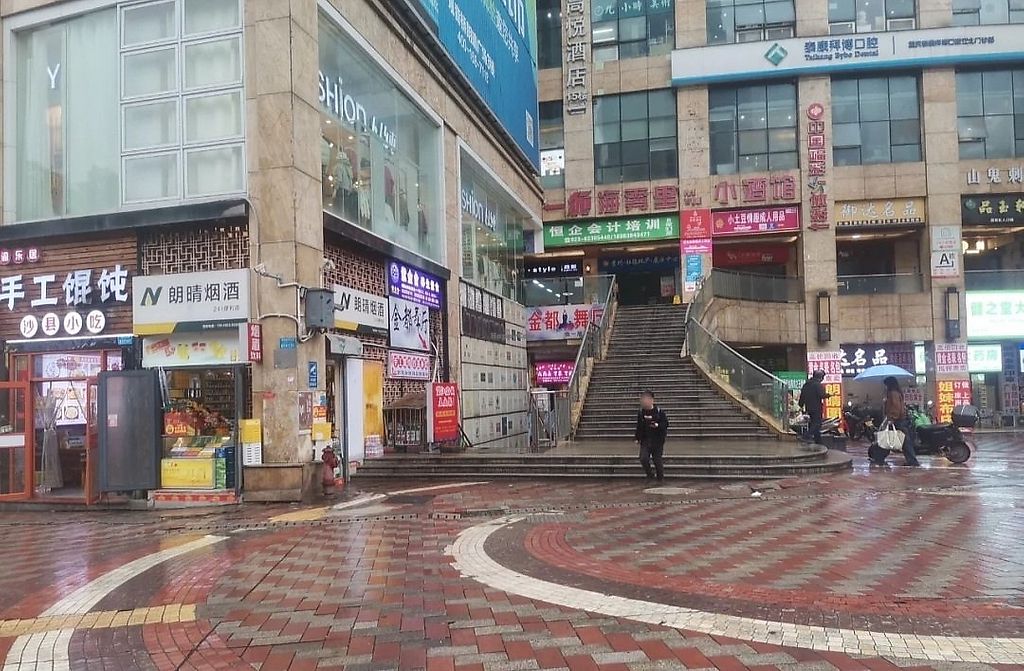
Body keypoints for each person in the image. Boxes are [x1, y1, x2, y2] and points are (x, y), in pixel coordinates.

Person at [880, 376, 920, 467]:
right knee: (902, 440)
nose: (885, 387)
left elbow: (895, 406)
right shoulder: (896, 392)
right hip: (900, 419)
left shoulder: (893, 393)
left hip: (897, 420)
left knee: (904, 441)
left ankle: (912, 461)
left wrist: (892, 418)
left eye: (886, 385)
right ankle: (911, 460)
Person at [635, 391, 669, 481]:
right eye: (643, 400)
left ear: (652, 400)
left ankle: (660, 478)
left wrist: (657, 425)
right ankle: (650, 475)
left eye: (646, 399)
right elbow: (639, 426)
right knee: (643, 458)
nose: (644, 402)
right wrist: (637, 438)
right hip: (646, 440)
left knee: (657, 460)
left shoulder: (659, 412)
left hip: (657, 440)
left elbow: (665, 424)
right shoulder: (641, 413)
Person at [798, 370, 830, 444]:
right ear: (820, 377)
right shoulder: (817, 385)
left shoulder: (806, 384)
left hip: (808, 407)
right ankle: (806, 436)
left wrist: (801, 404)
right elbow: (822, 395)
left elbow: (802, 396)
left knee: (813, 423)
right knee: (817, 424)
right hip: (816, 407)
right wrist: (828, 395)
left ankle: (818, 441)